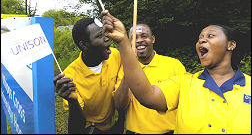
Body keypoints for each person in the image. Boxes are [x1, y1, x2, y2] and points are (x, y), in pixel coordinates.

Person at [101, 10, 251, 134]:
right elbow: (147, 96)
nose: (201, 41)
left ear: (231, 44)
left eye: (210, 36)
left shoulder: (249, 86)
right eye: (199, 38)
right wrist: (123, 43)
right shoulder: (184, 83)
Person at [53, 17, 124, 134]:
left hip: (115, 126)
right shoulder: (70, 77)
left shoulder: (115, 55)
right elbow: (76, 129)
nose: (107, 38)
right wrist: (73, 101)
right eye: (99, 35)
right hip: (91, 130)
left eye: (106, 32)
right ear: (84, 45)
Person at [112, 23, 186, 134]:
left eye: (144, 36)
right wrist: (130, 66)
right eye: (134, 38)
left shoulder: (174, 64)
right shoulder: (124, 68)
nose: (139, 40)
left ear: (153, 39)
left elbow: (186, 103)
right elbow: (120, 105)